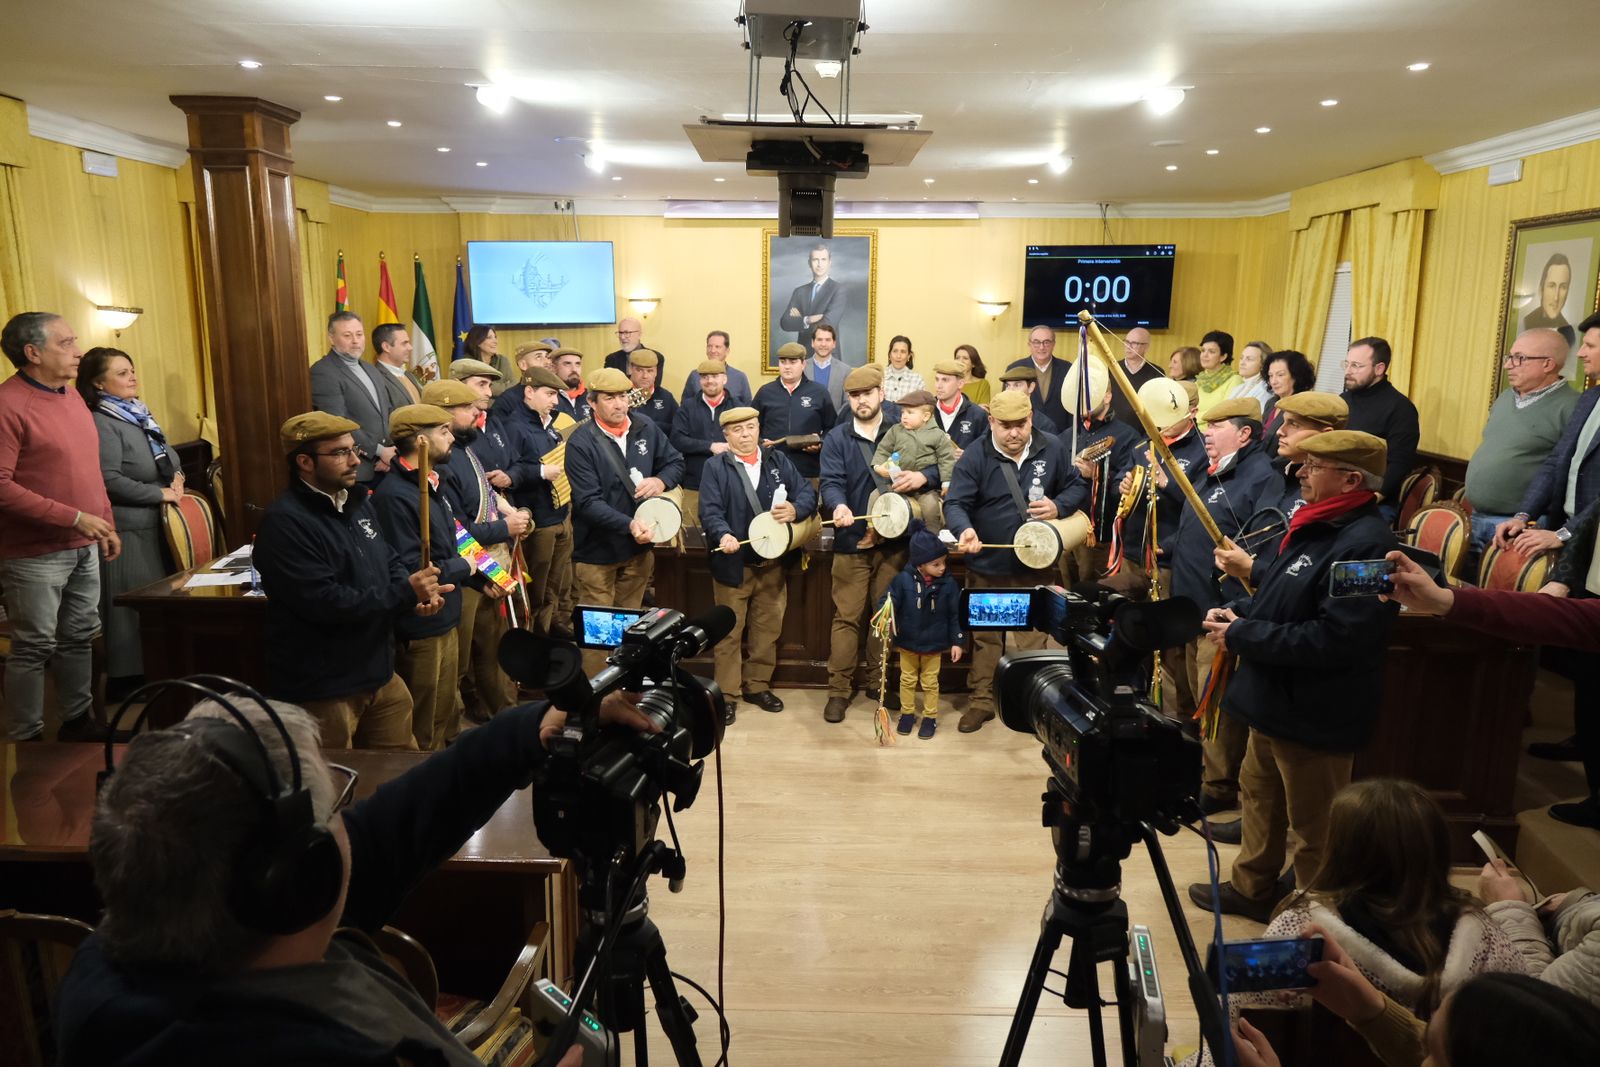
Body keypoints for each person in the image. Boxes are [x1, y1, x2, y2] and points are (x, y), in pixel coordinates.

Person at [57, 692, 647, 1067]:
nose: (351, 821)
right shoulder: (334, 1053)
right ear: (302, 877)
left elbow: (398, 826)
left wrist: (529, 730)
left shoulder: (113, 962)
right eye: (337, 807)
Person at [1189, 433, 1400, 919]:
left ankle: (1311, 923)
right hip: (1272, 700)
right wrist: (1238, 611)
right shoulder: (1314, 525)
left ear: (1350, 479)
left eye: (1314, 465)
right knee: (1259, 797)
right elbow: (1281, 596)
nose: (1300, 473)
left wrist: (1244, 635)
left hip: (1316, 712)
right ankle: (1252, 888)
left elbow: (1340, 638)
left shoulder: (1368, 546)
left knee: (1316, 828)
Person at [254, 412, 449, 749]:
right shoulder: (286, 523)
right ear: (305, 462)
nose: (355, 459)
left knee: (400, 773)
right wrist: (404, 591)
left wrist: (414, 595)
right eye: (340, 452)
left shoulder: (357, 502)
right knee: (335, 782)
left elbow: (388, 559)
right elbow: (326, 602)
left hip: (379, 672)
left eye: (354, 449)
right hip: (326, 684)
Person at [0, 312, 120, 742]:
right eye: (66, 343)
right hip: (34, 552)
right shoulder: (8, 404)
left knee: (78, 637)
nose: (79, 351)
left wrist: (105, 522)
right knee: (33, 647)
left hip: (85, 541)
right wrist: (72, 517)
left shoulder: (71, 396)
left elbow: (88, 470)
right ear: (32, 353)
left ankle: (77, 723)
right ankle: (25, 739)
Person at [945, 389, 1088, 733]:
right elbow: (956, 504)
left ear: (1031, 419)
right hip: (987, 566)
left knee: (1033, 638)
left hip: (1036, 567)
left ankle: (1032, 704)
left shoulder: (1052, 447)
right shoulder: (976, 455)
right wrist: (964, 530)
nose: (1014, 433)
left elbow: (1075, 487)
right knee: (986, 638)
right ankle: (982, 701)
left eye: (1021, 425)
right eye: (1005, 425)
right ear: (991, 421)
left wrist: (1059, 506)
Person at [1159, 397, 1276, 809]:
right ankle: (1198, 774)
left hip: (1218, 612)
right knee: (1192, 699)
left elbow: (1257, 550)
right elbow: (1195, 529)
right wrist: (1165, 548)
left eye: (1218, 425)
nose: (1206, 432)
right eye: (1206, 425)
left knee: (1218, 711)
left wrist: (1229, 611)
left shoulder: (1259, 478)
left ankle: (1218, 786)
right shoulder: (1211, 473)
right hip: (1188, 606)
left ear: (1244, 434)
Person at [370, 404, 484, 751]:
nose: (452, 437)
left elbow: (456, 535)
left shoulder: (434, 482)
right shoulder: (396, 496)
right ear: (421, 440)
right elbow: (410, 567)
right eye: (444, 432)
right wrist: (467, 567)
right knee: (424, 719)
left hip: (448, 612)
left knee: (448, 708)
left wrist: (486, 572)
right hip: (422, 623)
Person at [818, 367, 925, 722]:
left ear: (882, 393)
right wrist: (839, 505)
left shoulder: (905, 429)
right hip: (852, 541)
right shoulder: (837, 437)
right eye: (854, 395)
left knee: (884, 619)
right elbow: (831, 481)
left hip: (896, 542)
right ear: (848, 399)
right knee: (846, 618)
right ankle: (838, 691)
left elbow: (938, 465)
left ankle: (878, 686)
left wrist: (923, 476)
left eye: (867, 393)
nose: (861, 401)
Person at [698, 406, 816, 719]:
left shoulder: (777, 460)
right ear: (726, 435)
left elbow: (806, 493)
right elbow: (709, 510)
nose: (746, 434)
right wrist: (722, 535)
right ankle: (727, 693)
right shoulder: (715, 467)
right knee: (729, 634)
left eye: (751, 427)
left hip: (773, 565)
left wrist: (795, 510)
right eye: (737, 430)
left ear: (758, 427)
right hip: (732, 566)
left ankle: (757, 685)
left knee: (767, 630)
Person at [79, 347, 183, 699]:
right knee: (132, 610)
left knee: (159, 604)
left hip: (161, 524)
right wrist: (160, 494)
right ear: (98, 383)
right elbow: (107, 479)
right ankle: (128, 682)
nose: (133, 377)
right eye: (122, 373)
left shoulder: (138, 413)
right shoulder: (101, 422)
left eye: (132, 370)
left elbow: (169, 455)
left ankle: (157, 670)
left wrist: (178, 476)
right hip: (129, 527)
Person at [565, 368, 684, 673]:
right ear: (592, 402)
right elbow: (587, 502)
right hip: (597, 551)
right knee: (598, 632)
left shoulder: (646, 426)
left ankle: (626, 685)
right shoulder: (581, 442)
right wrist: (629, 525)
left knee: (632, 625)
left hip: (638, 550)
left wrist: (660, 481)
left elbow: (675, 462)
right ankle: (598, 696)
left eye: (623, 396)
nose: (619, 404)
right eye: (610, 398)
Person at [424, 378, 527, 722]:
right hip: (462, 580)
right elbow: (458, 533)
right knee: (457, 664)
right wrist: (503, 529)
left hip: (480, 574)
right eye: (468, 408)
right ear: (444, 413)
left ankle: (505, 718)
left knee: (491, 652)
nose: (477, 413)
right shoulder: (440, 463)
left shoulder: (465, 450)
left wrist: (492, 577)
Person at [1462, 329, 1578, 564]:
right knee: (1467, 591)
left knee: (1501, 595)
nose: (1509, 365)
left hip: (1519, 526)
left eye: (1519, 358)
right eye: (1509, 357)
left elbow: (1562, 470)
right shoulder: (1506, 397)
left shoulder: (1572, 406)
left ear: (1548, 364)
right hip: (1475, 516)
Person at [1493, 312, 1600, 561]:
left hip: (1592, 541)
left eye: (1590, 346)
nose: (1581, 352)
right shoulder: (1588, 399)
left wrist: (1563, 534)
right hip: (1568, 534)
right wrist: (1523, 516)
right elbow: (1555, 463)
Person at [499, 367, 576, 639]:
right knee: (535, 591)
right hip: (537, 521)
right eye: (550, 394)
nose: (555, 401)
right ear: (529, 392)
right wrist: (540, 472)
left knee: (554, 588)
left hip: (560, 515)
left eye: (556, 395)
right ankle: (534, 643)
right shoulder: (513, 426)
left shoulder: (548, 425)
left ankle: (546, 639)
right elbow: (507, 474)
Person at [879, 523, 964, 739]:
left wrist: (958, 641)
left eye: (943, 562)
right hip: (907, 641)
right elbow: (888, 601)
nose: (942, 568)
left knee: (930, 682)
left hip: (934, 644)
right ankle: (907, 713)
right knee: (907, 680)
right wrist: (885, 614)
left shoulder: (948, 585)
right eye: (936, 564)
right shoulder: (902, 580)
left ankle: (930, 717)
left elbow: (956, 614)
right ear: (919, 564)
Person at [1341, 336, 1421, 520]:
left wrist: (1369, 500)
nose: (1348, 371)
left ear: (1379, 369)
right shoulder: (1342, 401)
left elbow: (1399, 464)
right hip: (1335, 492)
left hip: (1372, 502)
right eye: (1346, 364)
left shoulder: (1401, 408)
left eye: (1356, 366)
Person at [310, 311, 395, 484]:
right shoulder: (323, 372)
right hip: (356, 470)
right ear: (331, 338)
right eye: (347, 335)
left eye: (359, 334)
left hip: (386, 465)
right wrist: (379, 451)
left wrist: (391, 452)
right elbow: (338, 422)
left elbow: (386, 413)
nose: (355, 341)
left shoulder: (371, 369)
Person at [869, 389, 955, 537]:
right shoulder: (896, 430)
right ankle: (871, 530)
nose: (904, 417)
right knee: (875, 495)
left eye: (910, 413)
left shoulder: (938, 435)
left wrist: (946, 482)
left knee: (930, 508)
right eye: (902, 412)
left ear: (926, 416)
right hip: (897, 482)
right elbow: (883, 449)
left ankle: (931, 538)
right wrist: (878, 466)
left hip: (924, 489)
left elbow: (946, 459)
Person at [753, 341, 836, 481]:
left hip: (808, 470)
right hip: (771, 468)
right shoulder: (765, 392)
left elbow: (832, 427)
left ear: (803, 364)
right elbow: (752, 425)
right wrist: (760, 441)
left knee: (807, 503)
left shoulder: (819, 392)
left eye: (792, 362)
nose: (787, 366)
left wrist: (820, 443)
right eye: (783, 362)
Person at [671, 359, 736, 520]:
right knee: (692, 537)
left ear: (724, 379)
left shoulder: (737, 408)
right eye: (705, 377)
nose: (710, 381)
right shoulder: (687, 407)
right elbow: (677, 440)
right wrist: (710, 446)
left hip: (731, 485)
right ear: (700, 381)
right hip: (694, 484)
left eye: (715, 376)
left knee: (729, 537)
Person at [780, 244, 845, 355]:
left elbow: (827, 326)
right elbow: (785, 322)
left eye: (823, 259)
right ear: (809, 263)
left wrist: (800, 320)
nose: (819, 264)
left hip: (829, 357)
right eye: (815, 259)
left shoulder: (838, 290)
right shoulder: (799, 291)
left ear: (830, 263)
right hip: (803, 357)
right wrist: (808, 319)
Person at [1006, 324, 1071, 431]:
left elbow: (1073, 408)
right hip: (1024, 433)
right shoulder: (1014, 368)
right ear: (1029, 344)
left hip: (1061, 435)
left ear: (1053, 344)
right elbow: (1007, 404)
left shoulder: (1068, 369)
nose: (1041, 347)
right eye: (1036, 342)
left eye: (1046, 342)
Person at [1260, 349, 1317, 457]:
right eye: (1271, 375)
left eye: (1280, 375)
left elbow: (1295, 450)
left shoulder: (1302, 407)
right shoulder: (1272, 402)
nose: (1274, 381)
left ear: (1296, 376)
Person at [1109, 325, 1167, 429]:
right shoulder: (1112, 368)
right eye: (1126, 342)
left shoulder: (1157, 373)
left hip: (1143, 432)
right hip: (1113, 429)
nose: (1128, 346)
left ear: (1146, 347)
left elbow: (1159, 408)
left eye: (1134, 343)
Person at [931, 358, 989, 455]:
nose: (938, 385)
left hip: (965, 469)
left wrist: (969, 456)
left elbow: (987, 451)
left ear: (960, 383)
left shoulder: (978, 415)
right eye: (937, 379)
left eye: (945, 380)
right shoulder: (926, 410)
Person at [485, 341, 554, 421]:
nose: (547, 362)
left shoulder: (557, 396)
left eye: (547, 357)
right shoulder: (508, 401)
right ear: (523, 365)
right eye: (538, 357)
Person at [680, 330, 751, 405]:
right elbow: (685, 406)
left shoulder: (739, 377)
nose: (713, 350)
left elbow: (747, 408)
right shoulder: (695, 375)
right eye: (709, 346)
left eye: (717, 347)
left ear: (727, 351)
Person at [1524, 252, 1577, 344]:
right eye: (1551, 286)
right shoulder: (1526, 322)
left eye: (1563, 287)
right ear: (1541, 290)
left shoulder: (1569, 334)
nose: (1556, 297)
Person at [1195, 329, 1243, 427]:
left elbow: (1224, 412)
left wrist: (1194, 417)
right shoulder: (1199, 380)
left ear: (1223, 356)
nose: (1205, 355)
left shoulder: (1234, 380)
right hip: (1193, 432)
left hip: (1215, 433)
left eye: (1211, 352)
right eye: (1203, 350)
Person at [996, 365, 1061, 435]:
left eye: (1017, 385)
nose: (1010, 390)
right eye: (1007, 385)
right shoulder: (998, 419)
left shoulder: (1044, 425)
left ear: (1031, 387)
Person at [370, 322, 423, 408]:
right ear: (386, 347)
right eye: (404, 343)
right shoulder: (375, 379)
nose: (410, 347)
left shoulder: (408, 374)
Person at [626, 348, 678, 431]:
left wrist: (653, 426)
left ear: (656, 372)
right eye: (639, 370)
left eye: (650, 371)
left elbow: (678, 430)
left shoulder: (666, 397)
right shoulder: (620, 395)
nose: (645, 376)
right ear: (630, 369)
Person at [603, 316, 666, 382]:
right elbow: (607, 385)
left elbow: (654, 386)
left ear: (639, 334)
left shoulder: (655, 357)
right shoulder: (611, 359)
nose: (622, 337)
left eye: (627, 333)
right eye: (620, 333)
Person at [804, 322, 848, 411]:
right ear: (813, 343)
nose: (823, 344)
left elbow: (847, 403)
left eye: (828, 340)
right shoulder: (802, 368)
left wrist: (836, 421)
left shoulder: (845, 371)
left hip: (835, 423)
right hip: (805, 423)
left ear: (834, 344)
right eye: (819, 339)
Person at [463, 324, 513, 394]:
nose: (495, 341)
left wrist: (487, 385)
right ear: (478, 342)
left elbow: (513, 386)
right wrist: (504, 386)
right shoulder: (467, 363)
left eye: (495, 337)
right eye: (489, 338)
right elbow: (473, 389)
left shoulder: (502, 360)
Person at [1229, 340, 1275, 411]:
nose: (1242, 363)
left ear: (1263, 364)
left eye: (1249, 359)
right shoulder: (1237, 389)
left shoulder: (1265, 390)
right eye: (1241, 358)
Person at [879, 334, 925, 403]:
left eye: (903, 352)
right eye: (895, 351)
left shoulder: (917, 380)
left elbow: (921, 408)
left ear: (909, 356)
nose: (898, 356)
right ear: (889, 355)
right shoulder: (879, 377)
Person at [552, 347, 593, 423]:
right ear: (554, 368)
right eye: (567, 364)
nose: (574, 369)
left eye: (578, 364)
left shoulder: (591, 397)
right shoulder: (548, 398)